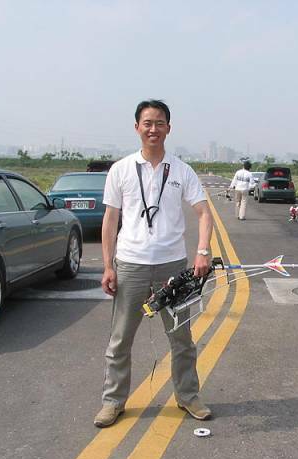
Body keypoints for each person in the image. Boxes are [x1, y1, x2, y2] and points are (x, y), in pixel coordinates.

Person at [94, 99, 214, 428]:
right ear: (137, 127)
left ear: (168, 128)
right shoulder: (121, 169)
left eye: (159, 123)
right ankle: (113, 402)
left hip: (171, 267)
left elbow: (204, 213)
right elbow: (110, 220)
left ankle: (188, 396)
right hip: (130, 264)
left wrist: (202, 250)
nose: (153, 129)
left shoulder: (181, 170)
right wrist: (108, 266)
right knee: (120, 339)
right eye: (147, 123)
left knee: (181, 338)